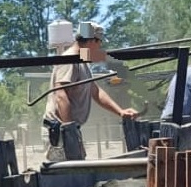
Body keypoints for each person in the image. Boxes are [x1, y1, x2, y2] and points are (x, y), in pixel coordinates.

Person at [43, 21, 138, 162]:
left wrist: (120, 112)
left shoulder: (81, 61)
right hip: (59, 130)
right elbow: (61, 95)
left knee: (77, 169)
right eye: (99, 42)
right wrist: (70, 133)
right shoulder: (69, 60)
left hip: (67, 129)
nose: (100, 46)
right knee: (67, 173)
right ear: (92, 40)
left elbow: (95, 90)